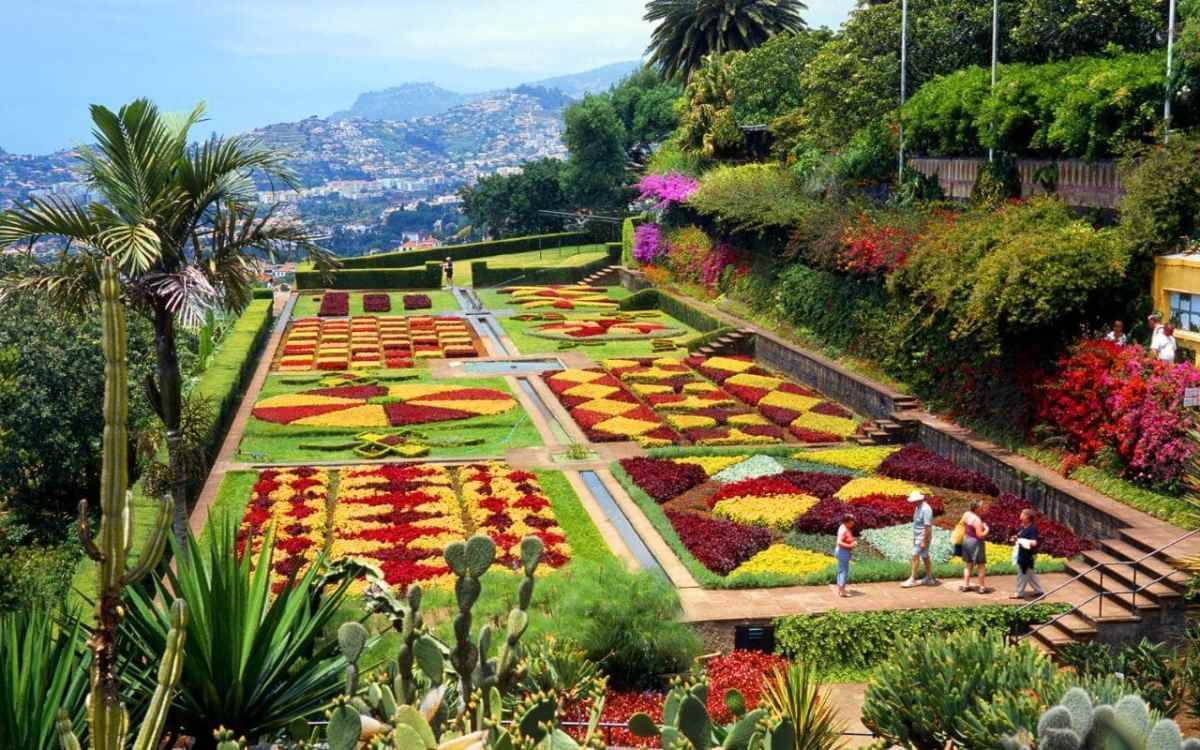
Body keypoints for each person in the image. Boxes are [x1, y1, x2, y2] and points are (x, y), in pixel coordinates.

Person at [901, 491, 938, 588]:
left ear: (919, 499)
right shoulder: (918, 507)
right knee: (925, 556)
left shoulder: (926, 509)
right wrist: (915, 537)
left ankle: (912, 579)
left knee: (915, 555)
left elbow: (927, 527)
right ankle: (929, 578)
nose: (912, 503)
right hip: (918, 536)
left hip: (922, 536)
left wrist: (924, 541)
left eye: (914, 501)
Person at [959, 500, 991, 594]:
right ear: (977, 508)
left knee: (968, 565)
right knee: (981, 565)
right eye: (981, 507)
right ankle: (982, 587)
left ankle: (966, 585)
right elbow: (980, 535)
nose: (983, 508)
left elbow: (963, 524)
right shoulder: (977, 520)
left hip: (966, 540)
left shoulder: (966, 514)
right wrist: (987, 529)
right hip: (976, 543)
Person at [1011, 508, 1044, 599]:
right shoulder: (1022, 527)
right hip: (1022, 553)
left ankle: (1019, 593)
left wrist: (1021, 540)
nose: (1020, 515)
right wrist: (1015, 538)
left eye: (1022, 514)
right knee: (1030, 574)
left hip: (1028, 555)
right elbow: (1019, 535)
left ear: (1027, 517)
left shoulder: (1032, 529)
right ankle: (1039, 591)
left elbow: (1034, 543)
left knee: (1022, 573)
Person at [835, 513, 857, 598]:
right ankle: (842, 591)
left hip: (843, 552)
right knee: (843, 571)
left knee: (841, 570)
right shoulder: (844, 530)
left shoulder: (843, 527)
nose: (853, 523)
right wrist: (851, 545)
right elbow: (839, 542)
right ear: (846, 522)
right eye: (852, 521)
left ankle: (840, 589)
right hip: (842, 552)